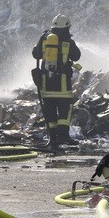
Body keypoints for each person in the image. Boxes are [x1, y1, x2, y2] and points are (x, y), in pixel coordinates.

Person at [31, 14, 81, 148]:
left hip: (46, 85)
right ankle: (63, 137)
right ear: (67, 27)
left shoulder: (45, 38)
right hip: (63, 87)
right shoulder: (68, 41)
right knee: (65, 112)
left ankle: (53, 138)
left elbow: (35, 54)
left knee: (50, 113)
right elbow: (77, 56)